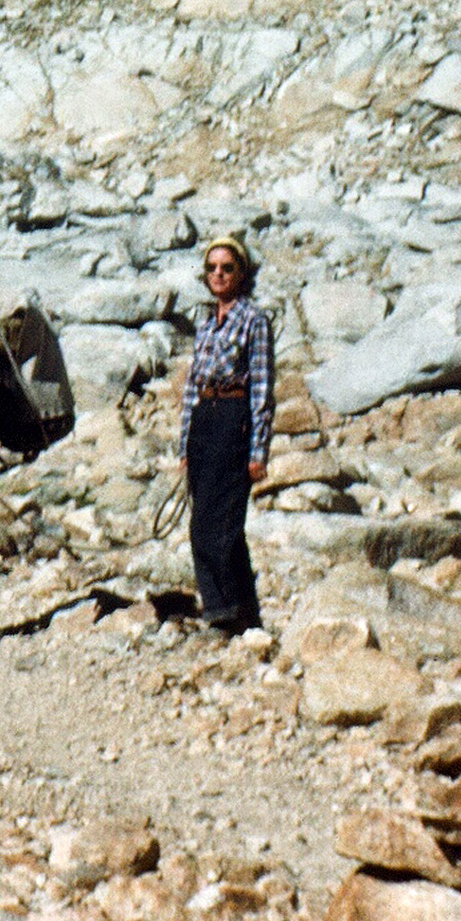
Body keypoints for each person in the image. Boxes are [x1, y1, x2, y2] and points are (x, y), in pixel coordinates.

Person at [182, 237, 272, 638]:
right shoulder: (206, 326)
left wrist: (258, 449)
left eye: (227, 267)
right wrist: (186, 442)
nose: (218, 274)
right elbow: (191, 386)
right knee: (218, 520)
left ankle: (222, 610)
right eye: (212, 268)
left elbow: (262, 388)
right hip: (205, 418)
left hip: (234, 417)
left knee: (211, 523)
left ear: (242, 273)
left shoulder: (254, 320)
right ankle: (247, 612)